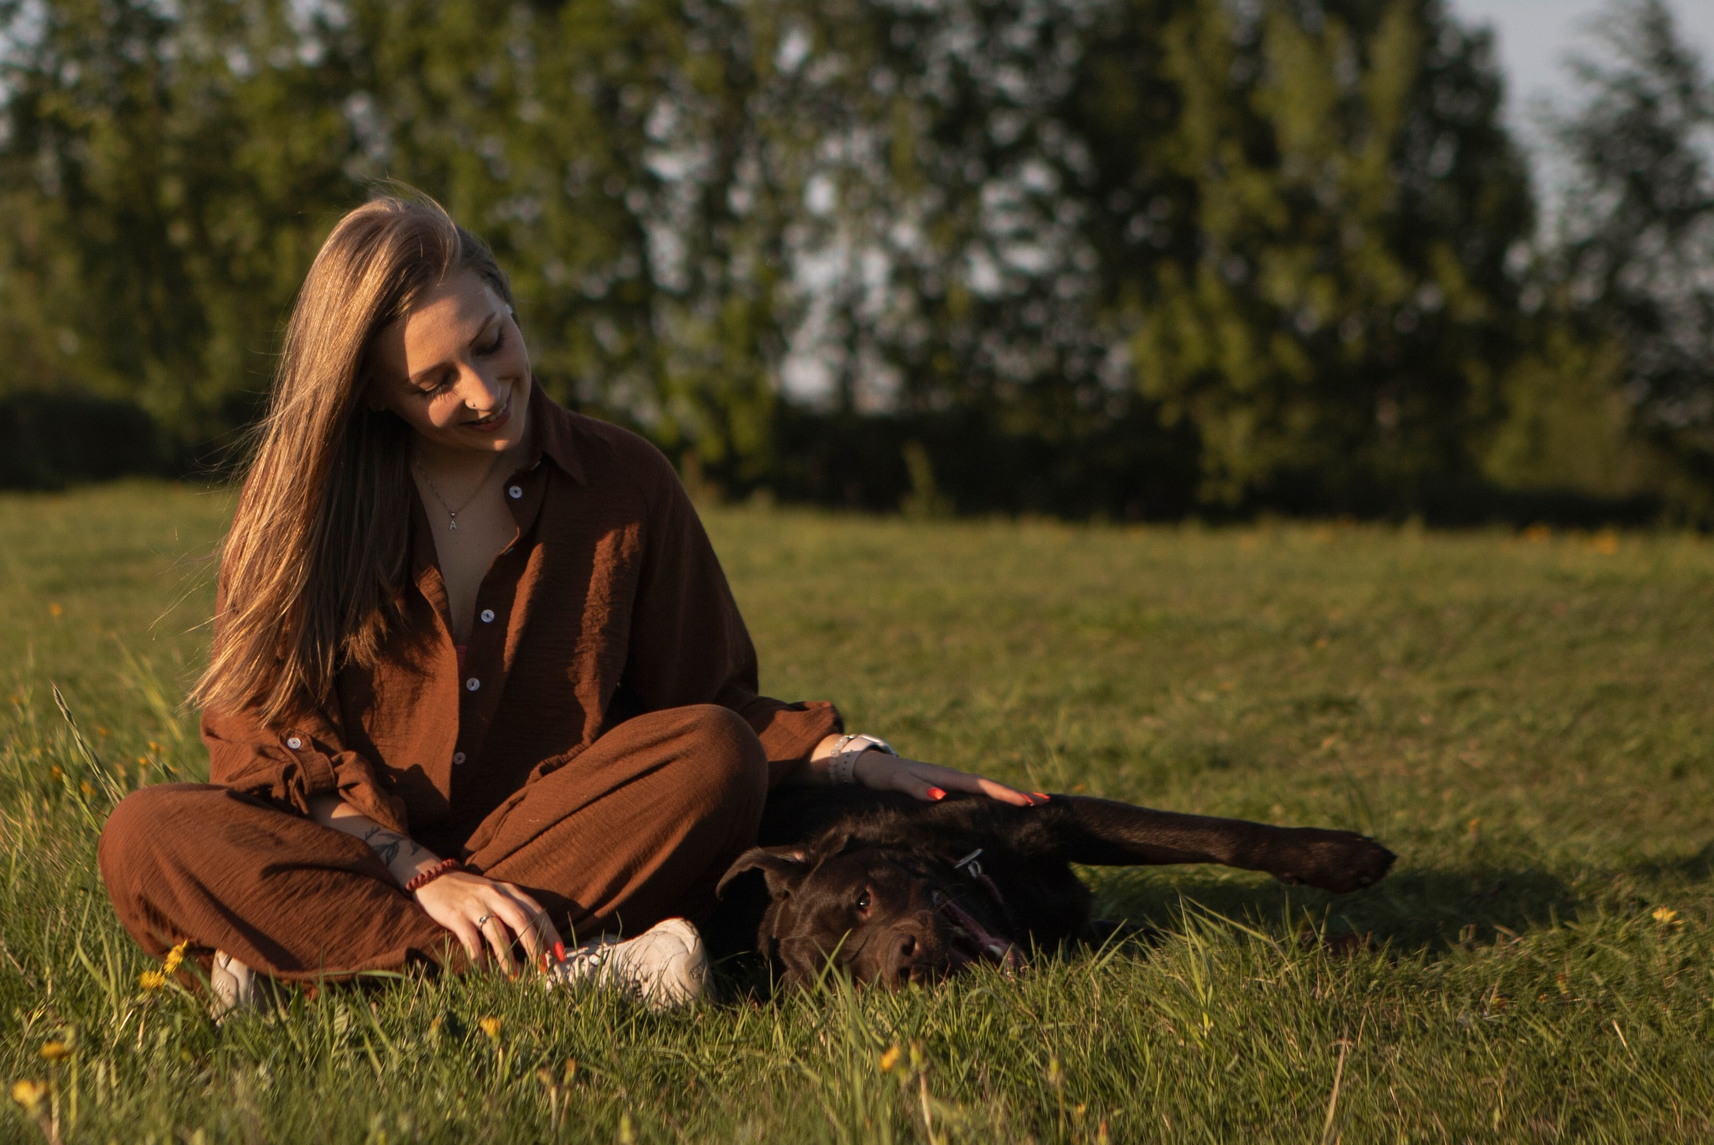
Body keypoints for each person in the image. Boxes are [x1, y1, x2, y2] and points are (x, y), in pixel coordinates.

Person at [98, 195, 1037, 1013]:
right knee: (146, 836)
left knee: (713, 754)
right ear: (371, 396)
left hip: (557, 842)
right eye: (433, 382)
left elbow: (711, 697)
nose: (484, 390)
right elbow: (261, 744)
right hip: (361, 850)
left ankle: (307, 965)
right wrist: (411, 868)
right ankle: (566, 972)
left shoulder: (626, 481)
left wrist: (854, 760)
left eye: (491, 340)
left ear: (508, 306)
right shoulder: (298, 510)